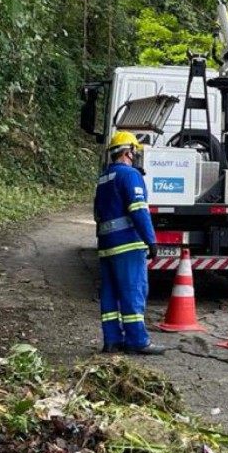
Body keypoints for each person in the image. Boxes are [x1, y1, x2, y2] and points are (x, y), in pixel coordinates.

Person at [93, 131, 164, 355]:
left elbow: (97, 213)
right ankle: (137, 341)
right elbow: (139, 210)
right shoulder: (130, 175)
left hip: (106, 246)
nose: (136, 157)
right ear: (127, 152)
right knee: (133, 291)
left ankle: (112, 340)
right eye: (135, 152)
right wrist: (150, 240)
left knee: (110, 293)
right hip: (128, 246)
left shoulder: (104, 178)